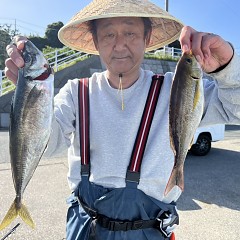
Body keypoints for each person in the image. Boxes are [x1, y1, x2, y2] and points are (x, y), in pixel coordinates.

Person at [4, 0, 240, 239]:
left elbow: (235, 109)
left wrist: (228, 66)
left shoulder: (177, 87)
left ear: (147, 38)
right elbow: (45, 146)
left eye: (130, 32)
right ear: (95, 41)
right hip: (86, 227)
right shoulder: (75, 92)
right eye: (108, 34)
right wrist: (31, 97)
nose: (119, 45)